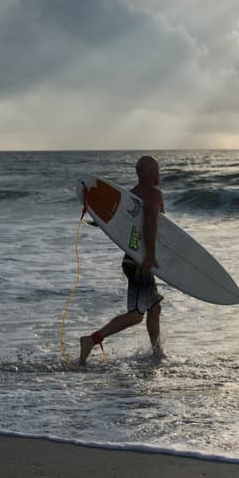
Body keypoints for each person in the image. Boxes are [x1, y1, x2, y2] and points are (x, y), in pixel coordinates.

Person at [79, 155, 166, 365]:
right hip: (141, 262)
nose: (159, 173)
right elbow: (150, 224)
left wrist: (97, 220)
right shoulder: (154, 195)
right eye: (157, 169)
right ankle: (91, 340)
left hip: (132, 258)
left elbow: (115, 223)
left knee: (154, 308)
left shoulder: (130, 196)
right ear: (152, 172)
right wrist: (151, 255)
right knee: (136, 315)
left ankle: (157, 352)